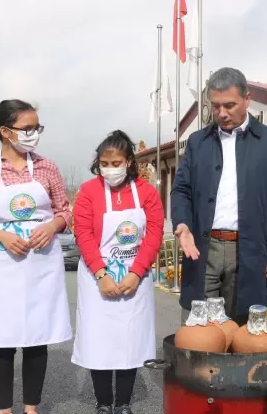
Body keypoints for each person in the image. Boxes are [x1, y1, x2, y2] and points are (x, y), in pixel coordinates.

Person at [0, 99, 73, 414]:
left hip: (41, 264)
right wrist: (2, 236)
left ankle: (32, 408)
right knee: (3, 338)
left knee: (38, 336)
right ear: (6, 131)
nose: (34, 134)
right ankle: (4, 410)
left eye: (37, 127)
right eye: (27, 128)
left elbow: (64, 211)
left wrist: (51, 226)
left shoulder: (48, 167)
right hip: (2, 266)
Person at [171, 67, 267, 326]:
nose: (221, 113)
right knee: (198, 331)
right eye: (215, 106)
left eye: (229, 105)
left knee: (242, 331)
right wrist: (182, 225)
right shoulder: (197, 142)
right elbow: (181, 190)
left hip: (249, 251)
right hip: (203, 250)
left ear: (247, 99)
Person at [71, 130, 164, 414]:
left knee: (130, 341)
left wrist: (136, 273)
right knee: (99, 342)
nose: (110, 169)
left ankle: (123, 403)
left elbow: (154, 233)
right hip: (97, 277)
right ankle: (103, 403)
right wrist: (101, 275)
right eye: (104, 163)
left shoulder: (147, 192)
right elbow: (84, 234)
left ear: (130, 161)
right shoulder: (88, 192)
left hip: (135, 278)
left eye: (116, 163)